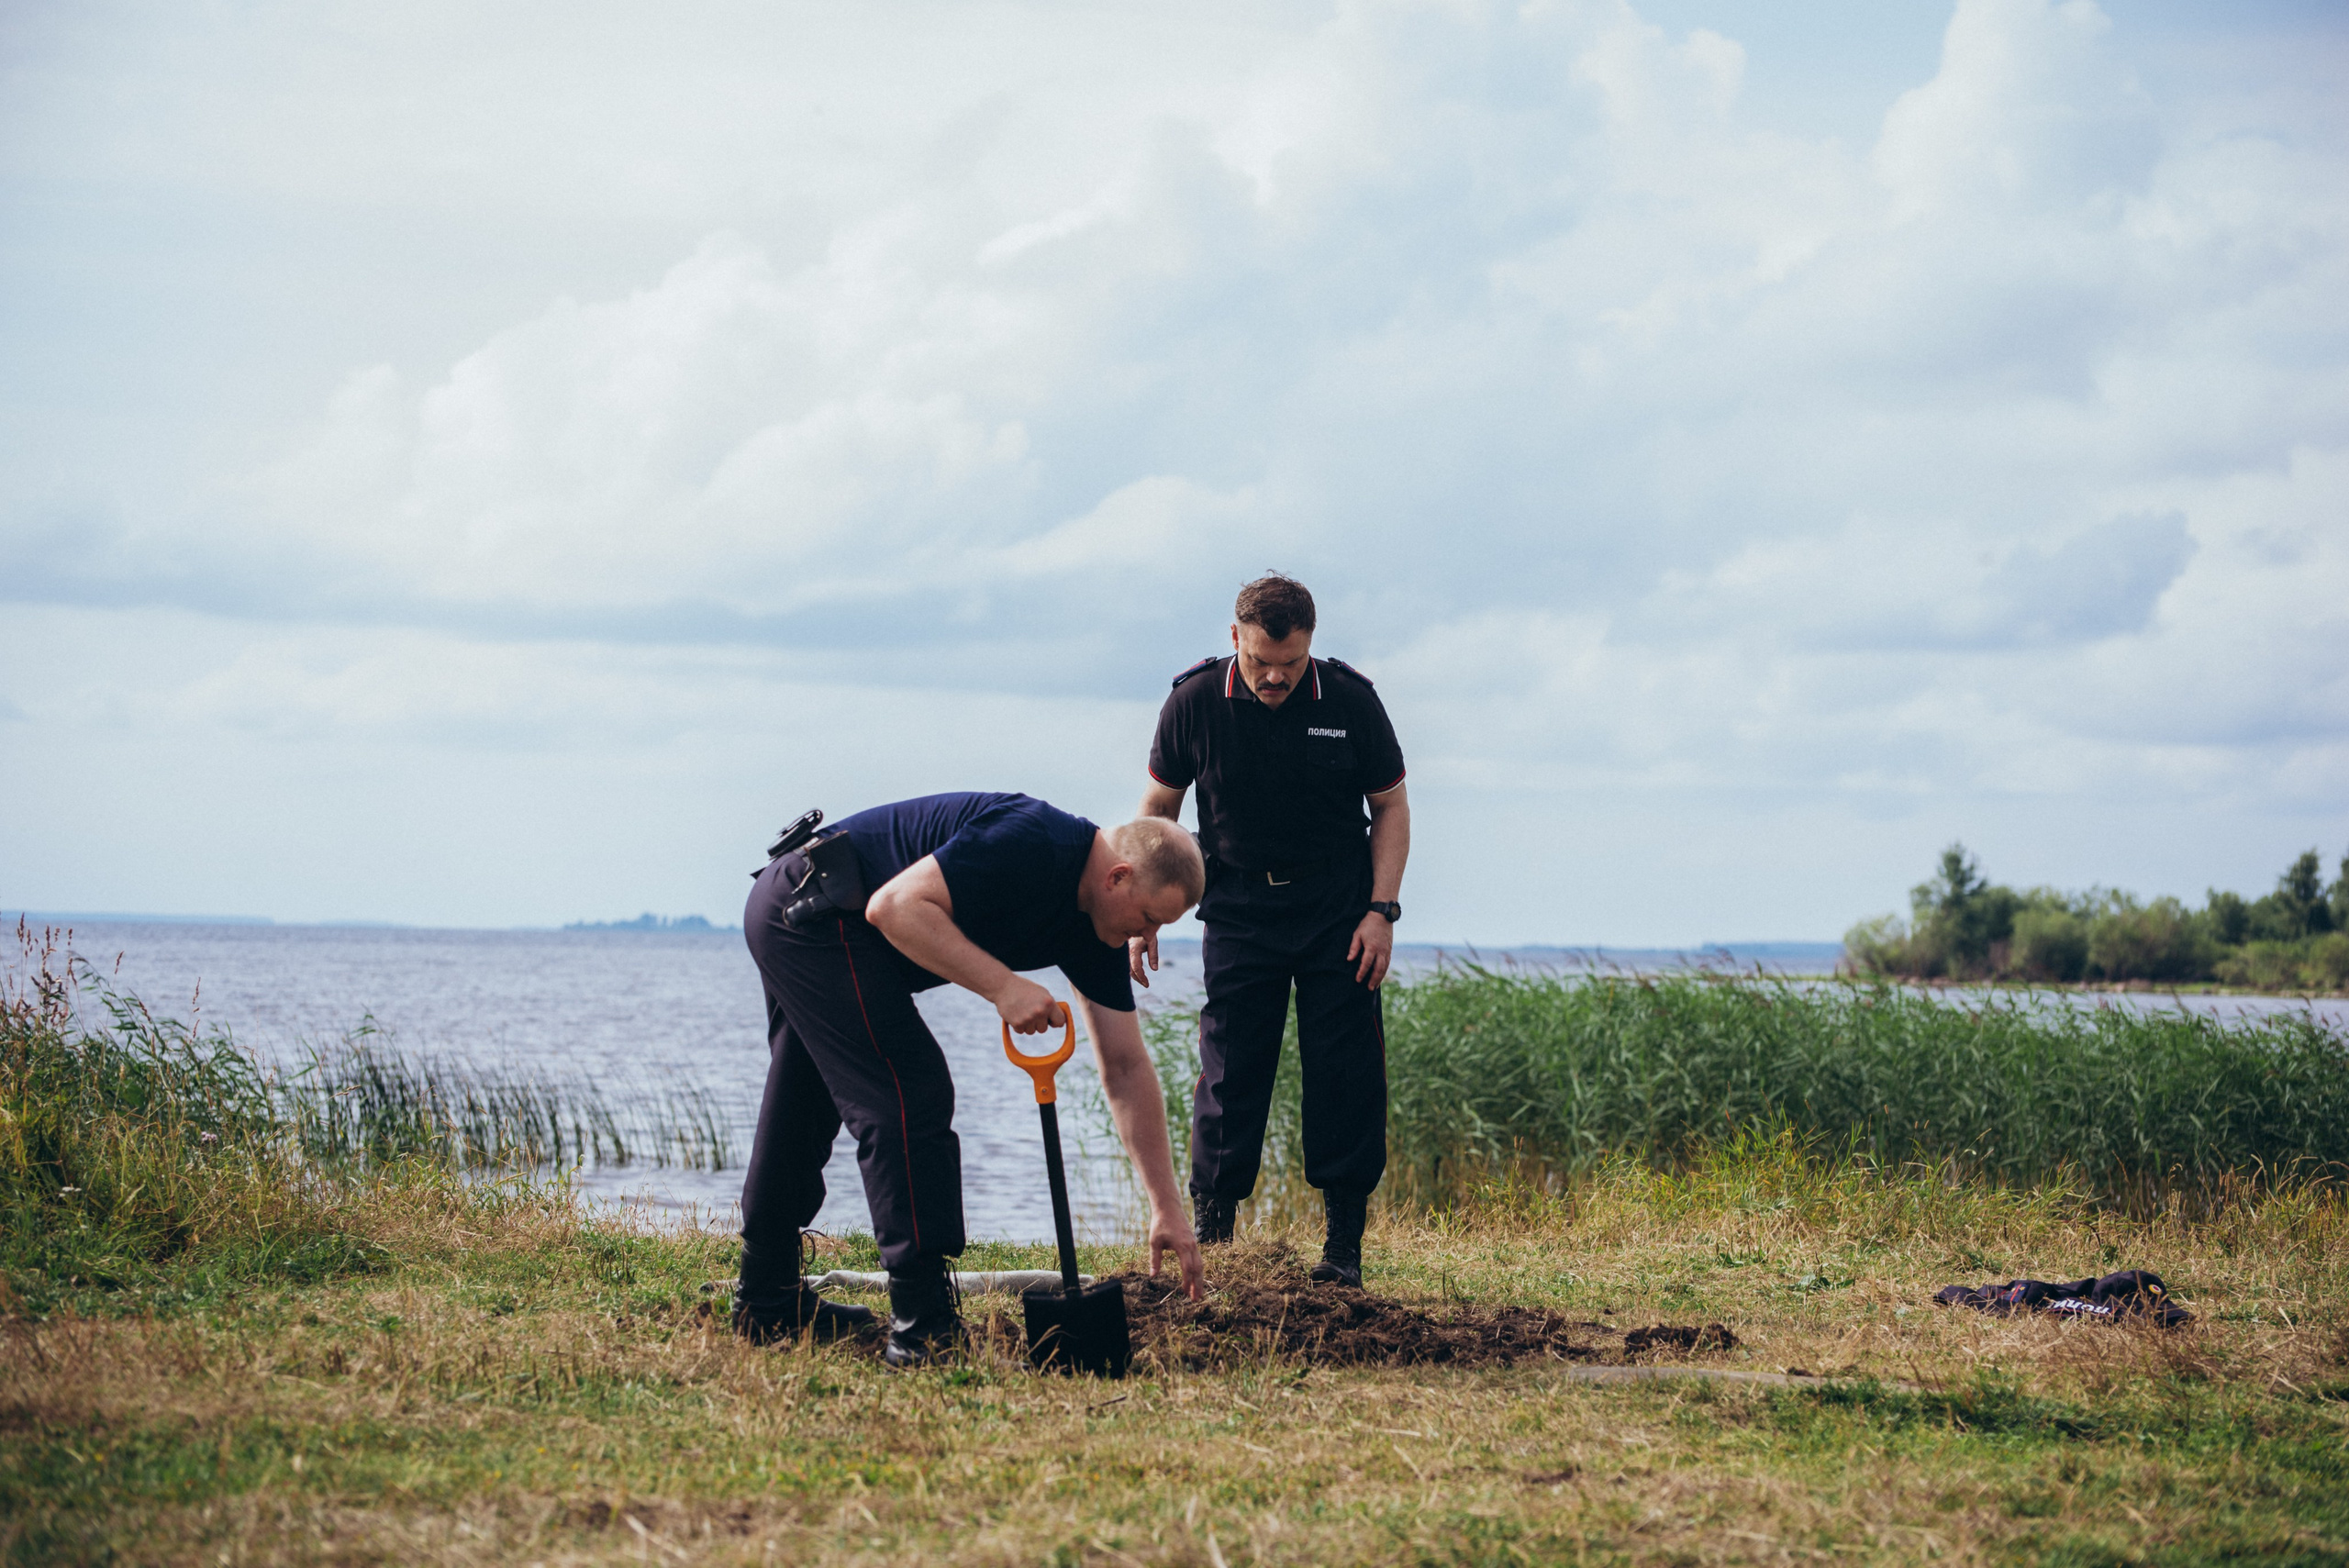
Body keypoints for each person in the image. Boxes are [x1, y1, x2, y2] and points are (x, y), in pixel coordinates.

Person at [737, 792, 1208, 1367]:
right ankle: (923, 1330)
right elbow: (895, 906)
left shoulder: (1095, 925)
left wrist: (1166, 1206)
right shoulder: (1034, 841)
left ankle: (767, 1302)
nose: (1149, 935)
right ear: (1117, 877)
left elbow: (1126, 1066)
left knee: (804, 1099)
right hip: (812, 908)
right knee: (909, 1092)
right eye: (1151, 918)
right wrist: (1004, 987)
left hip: (821, 924)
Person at [1132, 574, 1409, 1288]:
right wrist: (1142, 909)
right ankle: (1216, 1243)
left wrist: (1382, 912)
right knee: (1230, 1072)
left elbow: (1391, 807)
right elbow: (1159, 808)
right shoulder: (1193, 701)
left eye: (1290, 662)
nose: (1276, 676)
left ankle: (1342, 1251)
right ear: (1235, 640)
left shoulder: (1349, 700)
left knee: (1344, 1073)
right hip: (1237, 908)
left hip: (1338, 913)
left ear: (1310, 644)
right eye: (1260, 662)